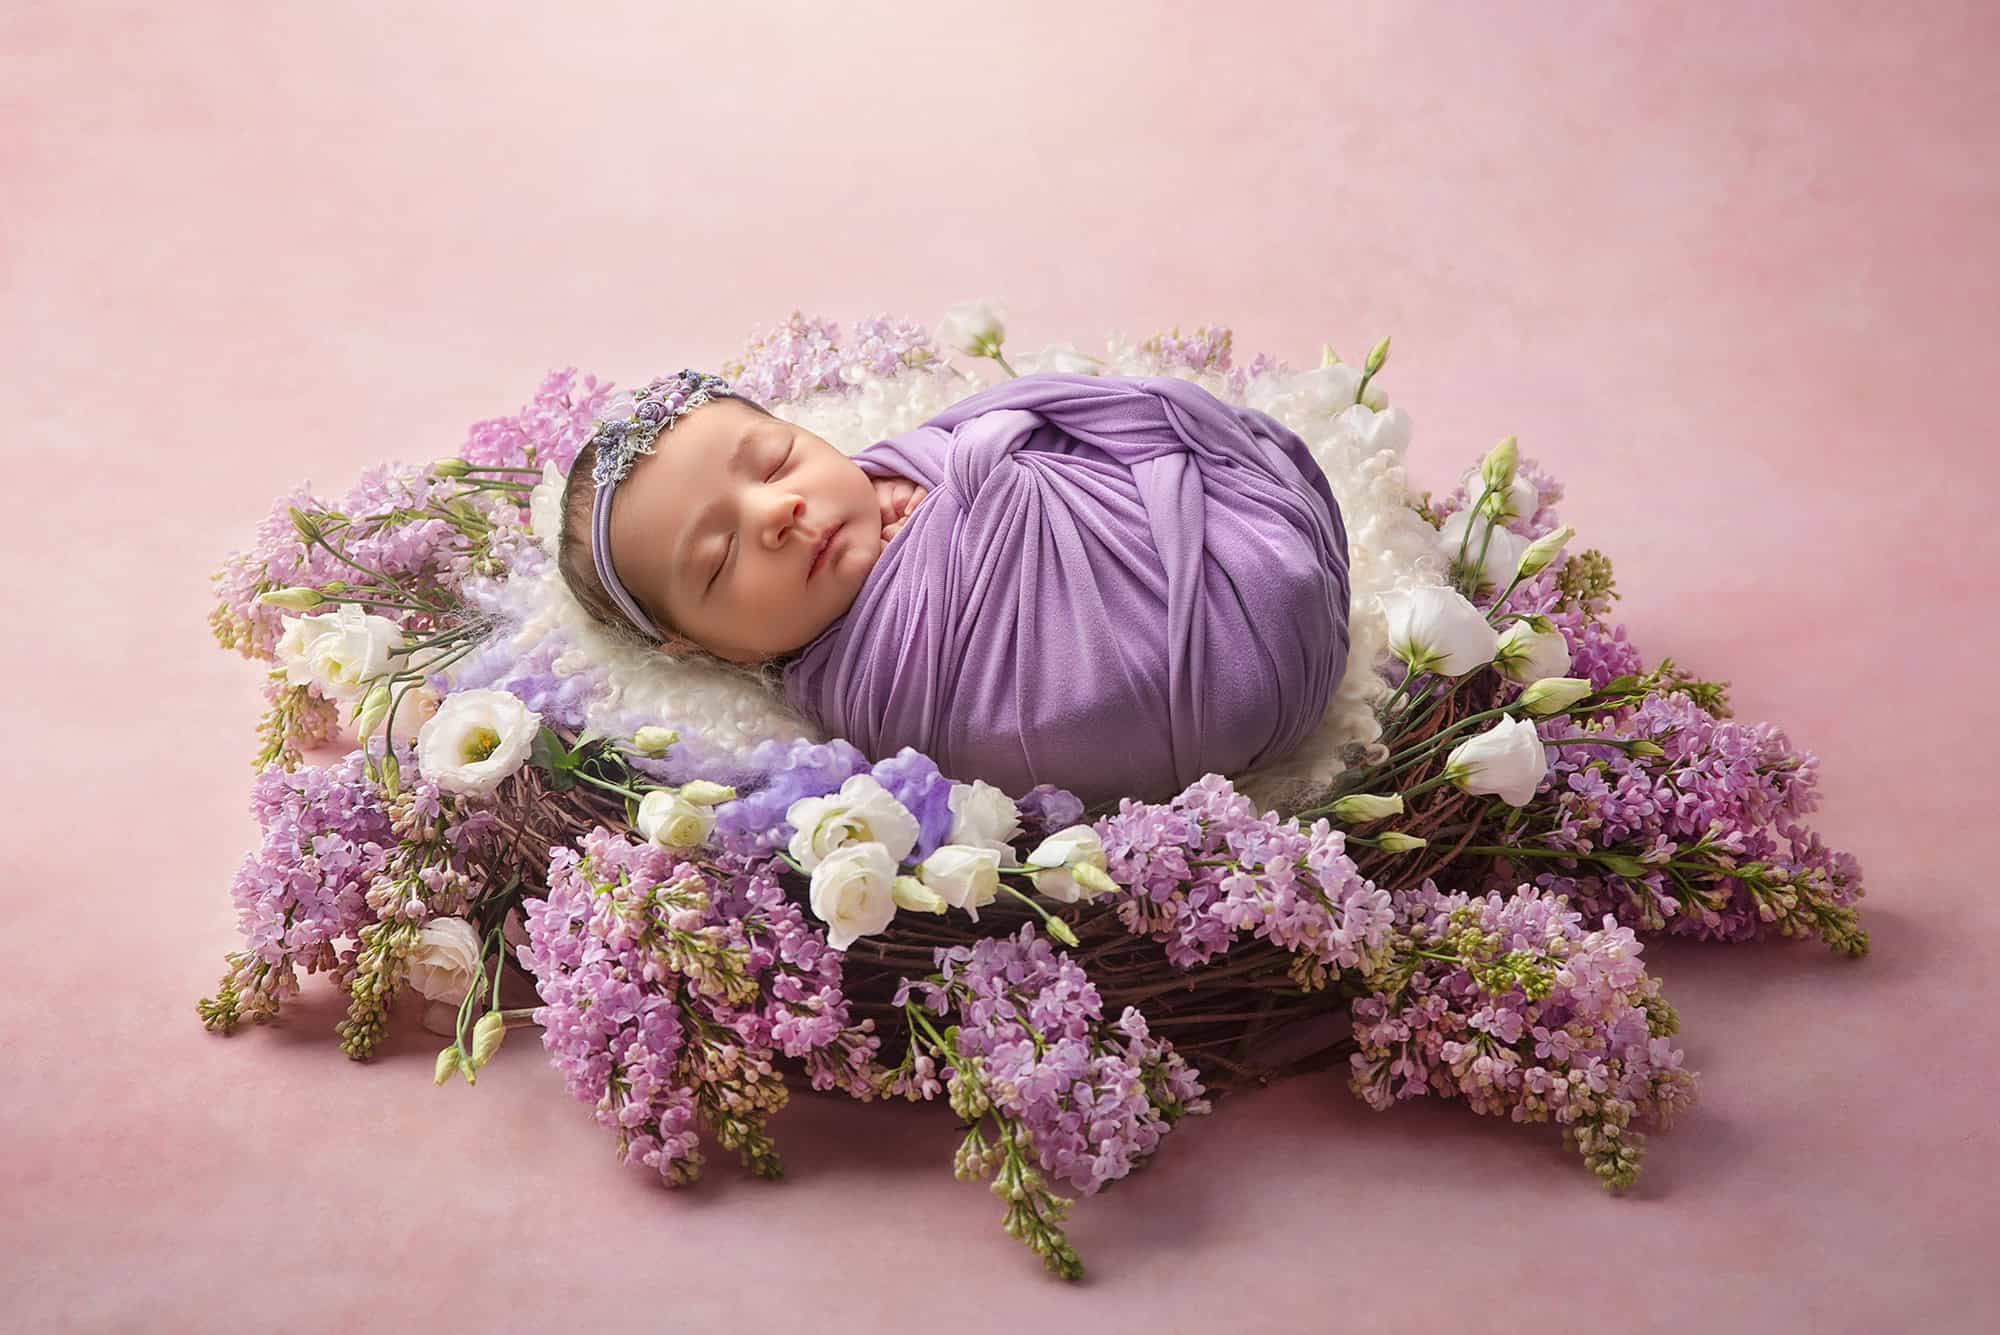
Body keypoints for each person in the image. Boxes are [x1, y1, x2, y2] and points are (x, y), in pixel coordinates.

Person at [557, 367, 1351, 806]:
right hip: (1194, 674)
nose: (780, 511)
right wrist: (973, 518)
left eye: (775, 460)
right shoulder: (881, 688)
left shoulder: (915, 460)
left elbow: (1067, 416)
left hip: (1213, 526)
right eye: (721, 556)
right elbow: (1026, 725)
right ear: (701, 646)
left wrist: (964, 476)